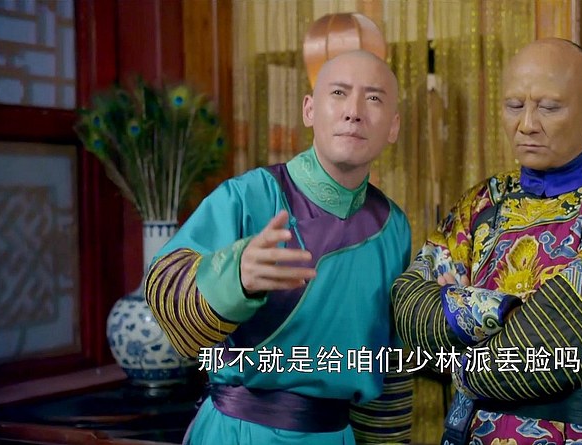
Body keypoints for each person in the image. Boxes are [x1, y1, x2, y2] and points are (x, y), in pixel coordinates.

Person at [391, 38, 582, 444]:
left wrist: (461, 322)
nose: (526, 124)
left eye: (549, 107)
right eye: (514, 105)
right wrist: (507, 309)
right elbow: (409, 304)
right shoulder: (483, 202)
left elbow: (571, 339)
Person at [145, 50, 413, 445]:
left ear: (393, 126)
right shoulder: (249, 196)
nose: (354, 112)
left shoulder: (392, 227)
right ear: (309, 110)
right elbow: (163, 291)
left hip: (336, 437)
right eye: (338, 93)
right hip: (238, 432)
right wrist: (235, 278)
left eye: (373, 98)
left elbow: (390, 366)